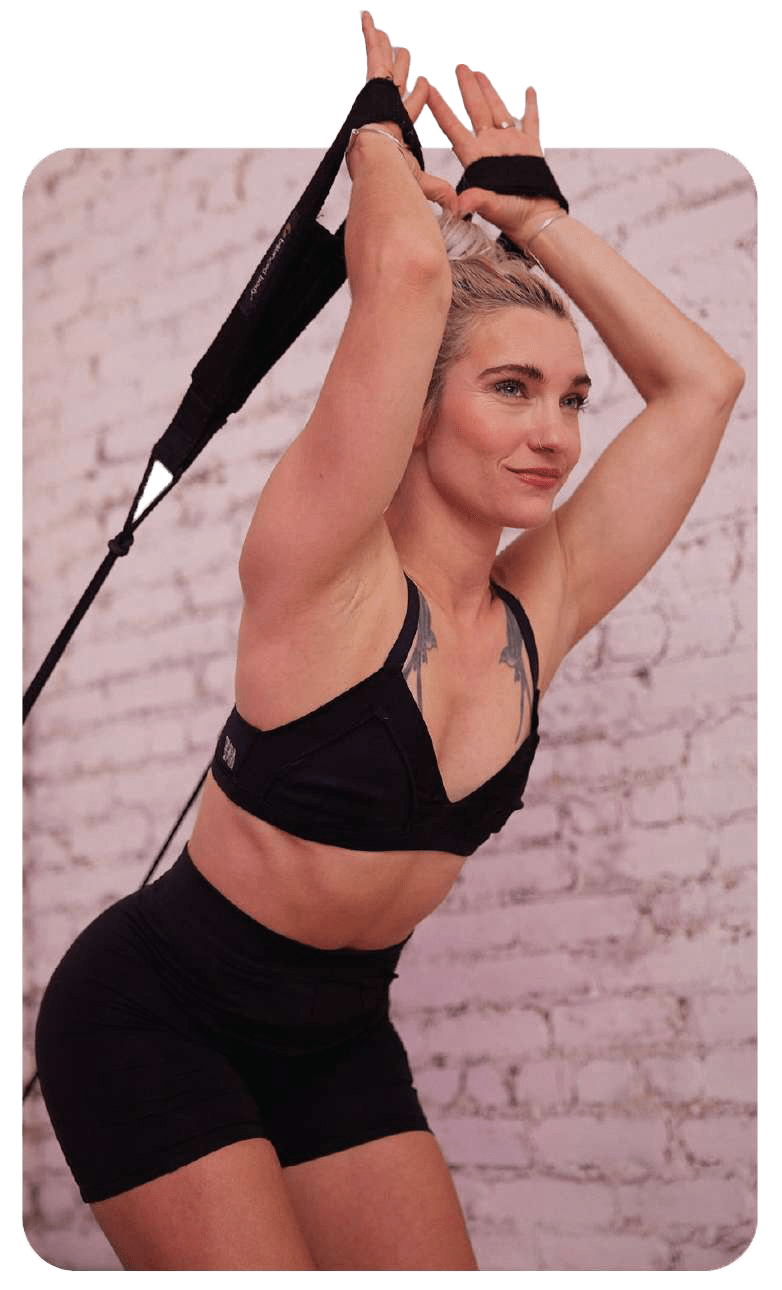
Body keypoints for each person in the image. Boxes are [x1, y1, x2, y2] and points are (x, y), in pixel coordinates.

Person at [33, 10, 745, 1272]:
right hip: (153, 1017)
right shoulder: (314, 568)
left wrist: (535, 223)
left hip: (339, 1036)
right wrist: (373, 126)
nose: (556, 436)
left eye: (571, 397)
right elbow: (407, 277)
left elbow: (702, 383)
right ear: (415, 410)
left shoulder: (544, 606)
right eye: (509, 389)